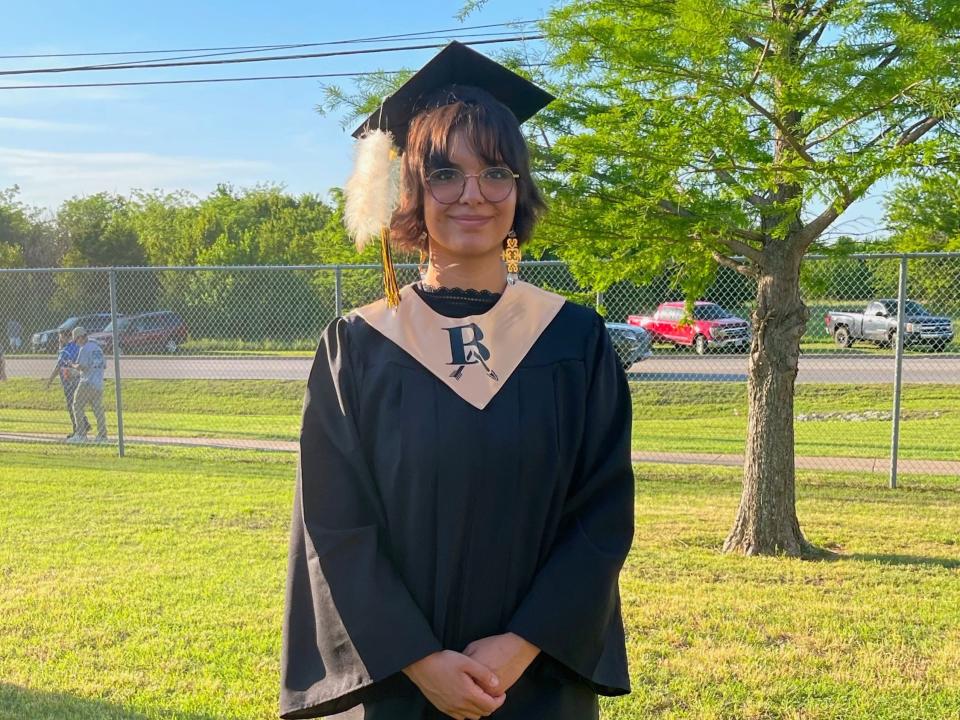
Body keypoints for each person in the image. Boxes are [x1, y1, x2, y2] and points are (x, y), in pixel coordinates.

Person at [280, 42, 634, 720]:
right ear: (409, 192)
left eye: (496, 171)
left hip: (533, 684)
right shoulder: (356, 346)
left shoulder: (575, 341)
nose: (473, 194)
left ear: (519, 191)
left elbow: (601, 514)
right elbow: (334, 523)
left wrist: (523, 645)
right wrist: (419, 659)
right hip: (396, 686)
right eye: (445, 173)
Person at [46, 328, 90, 440]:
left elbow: (58, 367)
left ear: (66, 337)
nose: (59, 340)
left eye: (61, 337)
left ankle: (78, 429)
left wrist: (49, 381)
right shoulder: (77, 346)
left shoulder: (65, 350)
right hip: (80, 379)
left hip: (69, 382)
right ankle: (83, 424)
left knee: (72, 406)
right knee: (77, 405)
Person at [67, 326, 108, 443]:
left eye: (76, 340)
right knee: (98, 409)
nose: (76, 343)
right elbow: (104, 365)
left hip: (86, 382)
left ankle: (81, 434)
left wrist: (72, 365)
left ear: (80, 338)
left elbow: (82, 366)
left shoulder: (84, 348)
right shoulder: (97, 348)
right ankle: (102, 435)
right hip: (98, 383)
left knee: (76, 405)